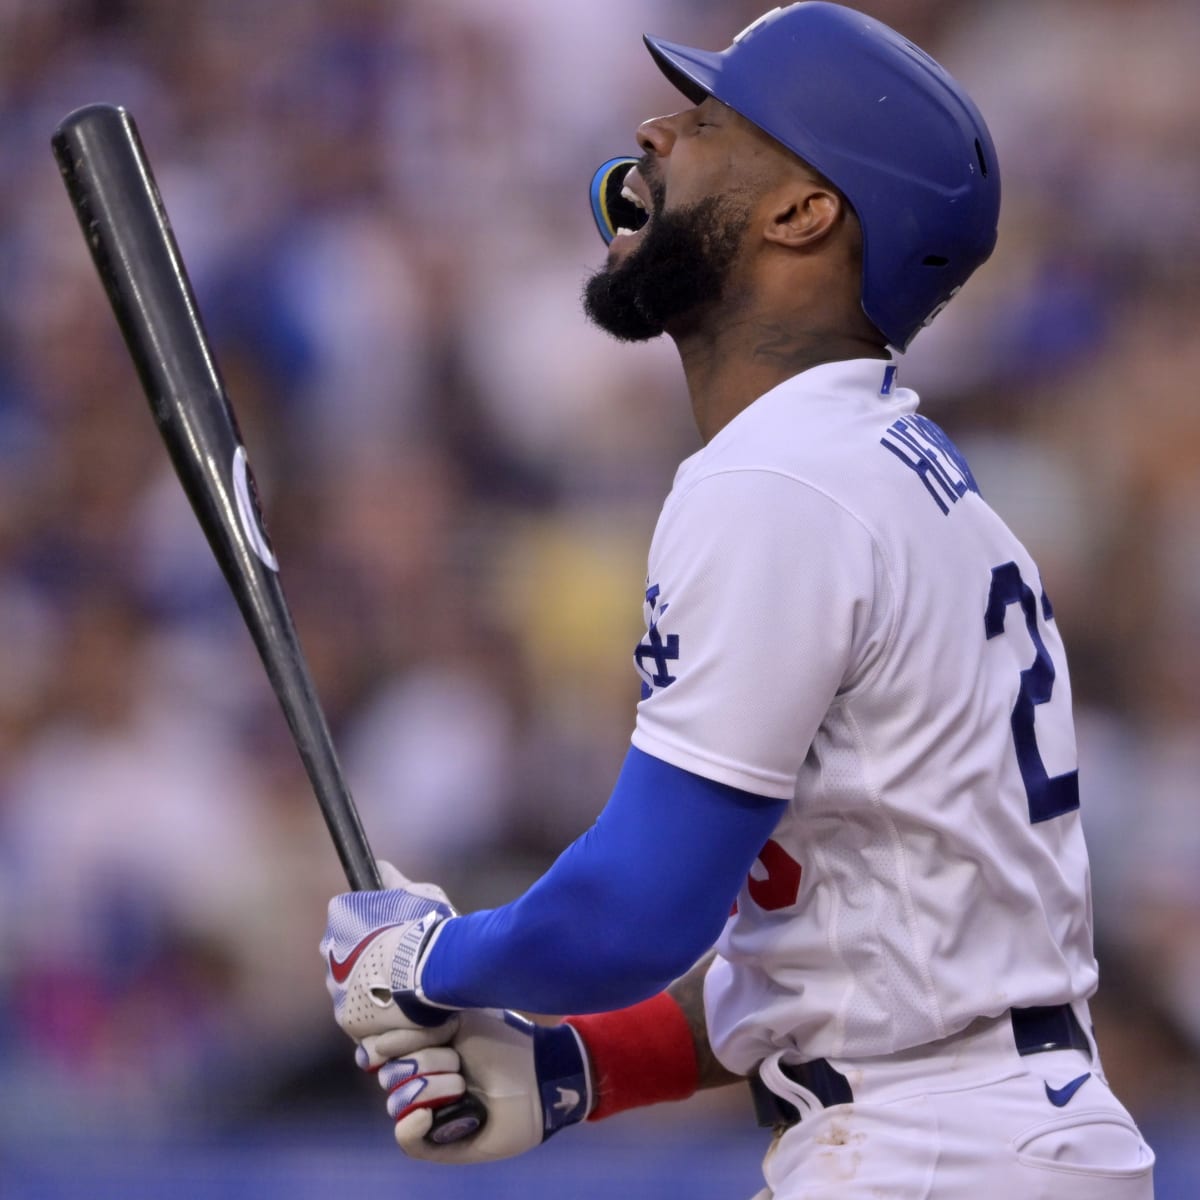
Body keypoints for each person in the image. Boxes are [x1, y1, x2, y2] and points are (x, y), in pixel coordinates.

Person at [319, 5, 1157, 1197]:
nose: (654, 135)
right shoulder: (890, 471)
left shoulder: (779, 480)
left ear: (802, 212)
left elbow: (632, 915)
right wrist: (577, 1072)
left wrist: (424, 960)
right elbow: (850, 953)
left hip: (927, 1154)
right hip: (989, 1134)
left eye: (709, 124)